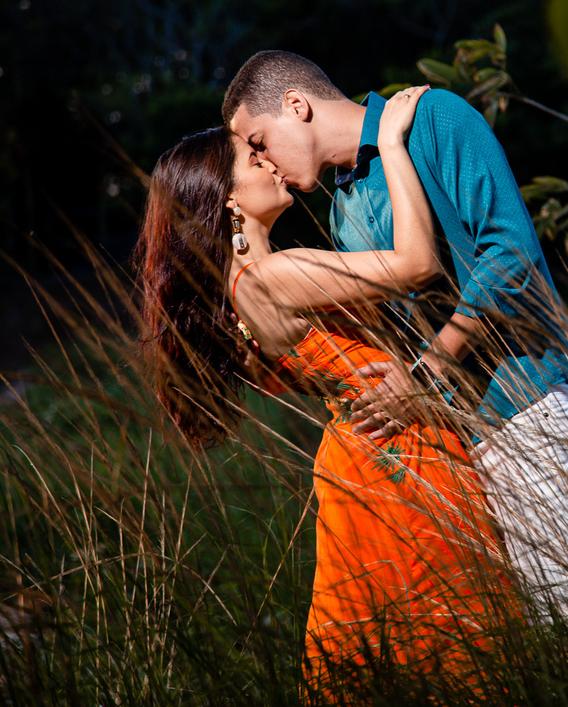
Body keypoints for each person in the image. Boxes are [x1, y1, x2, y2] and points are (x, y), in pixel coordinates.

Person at [135, 87, 511, 694]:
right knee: (453, 638)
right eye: (253, 158)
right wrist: (390, 143)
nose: (271, 162)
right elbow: (416, 265)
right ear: (228, 202)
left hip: (360, 458)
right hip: (398, 462)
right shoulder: (274, 278)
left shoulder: (240, 295)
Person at [222, 51, 568, 625]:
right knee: (527, 643)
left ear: (296, 106)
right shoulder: (343, 208)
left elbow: (512, 253)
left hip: (525, 407)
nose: (261, 161)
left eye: (258, 141)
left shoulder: (434, 119)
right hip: (452, 445)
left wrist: (429, 370)